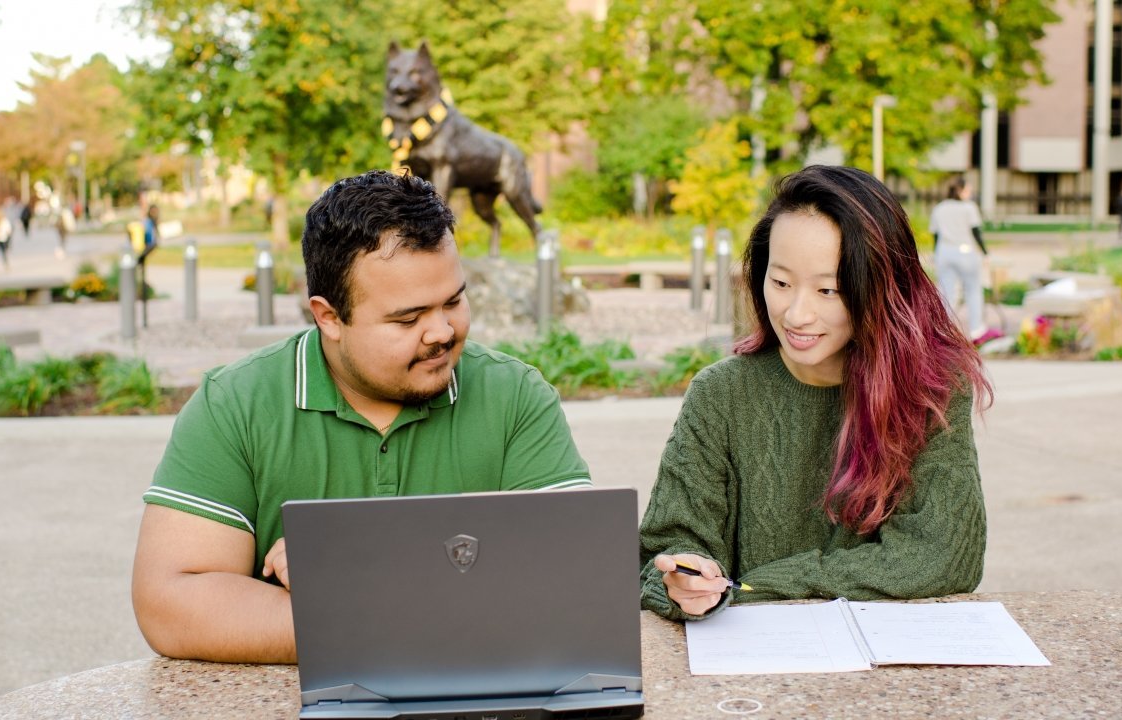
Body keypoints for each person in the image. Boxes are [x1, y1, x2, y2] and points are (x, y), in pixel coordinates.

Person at [131, 170, 593, 663]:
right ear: (328, 317)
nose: (441, 331)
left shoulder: (516, 395)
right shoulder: (236, 405)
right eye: (407, 319)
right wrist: (427, 609)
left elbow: (578, 580)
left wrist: (349, 575)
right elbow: (170, 603)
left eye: (454, 300)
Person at [639, 165, 993, 621]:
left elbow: (945, 557)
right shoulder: (721, 394)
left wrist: (762, 583)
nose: (797, 313)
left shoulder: (932, 392)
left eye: (829, 289)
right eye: (781, 282)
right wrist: (684, 578)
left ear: (882, 290)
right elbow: (665, 548)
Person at [929, 178, 989, 340]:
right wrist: (985, 252)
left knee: (947, 293)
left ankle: (944, 330)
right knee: (973, 290)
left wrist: (936, 254)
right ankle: (976, 329)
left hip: (944, 252)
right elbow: (976, 232)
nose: (970, 194)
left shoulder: (939, 208)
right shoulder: (969, 208)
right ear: (961, 190)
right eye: (968, 190)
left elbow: (935, 235)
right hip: (966, 253)